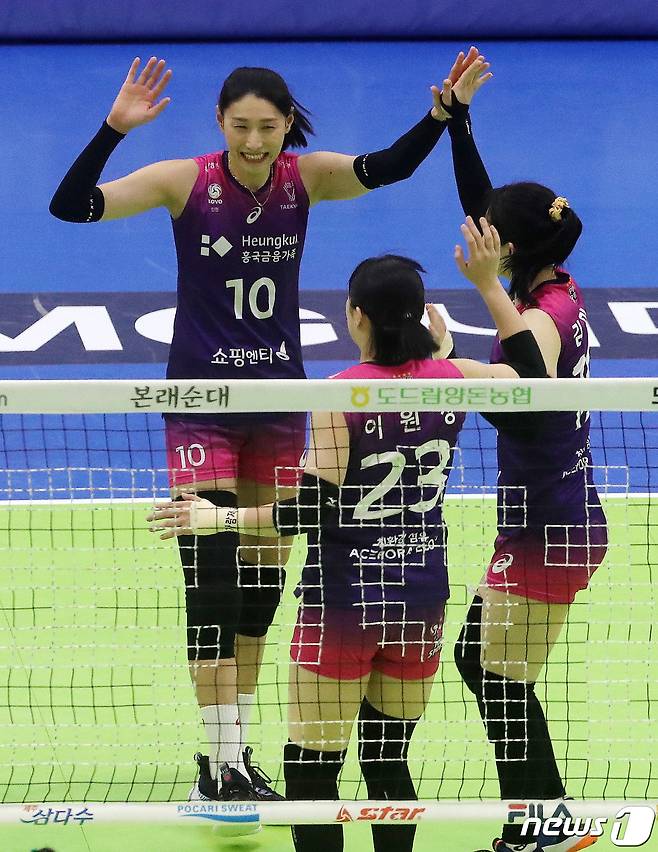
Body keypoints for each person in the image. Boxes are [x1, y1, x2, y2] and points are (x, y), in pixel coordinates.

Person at [49, 50, 492, 800]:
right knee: (211, 587)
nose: (254, 142)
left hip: (280, 406)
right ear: (220, 124)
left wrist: (441, 115)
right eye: (240, 127)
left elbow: (389, 167)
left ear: (287, 124)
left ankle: (238, 752)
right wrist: (113, 129)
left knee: (259, 594)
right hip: (202, 405)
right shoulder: (184, 181)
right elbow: (73, 205)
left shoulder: (304, 178)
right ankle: (220, 764)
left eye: (267, 127)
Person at [148, 217, 551, 851]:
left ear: (356, 316)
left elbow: (310, 509)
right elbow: (531, 376)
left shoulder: (342, 394)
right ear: (421, 316)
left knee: (312, 774)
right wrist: (462, 327)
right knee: (388, 763)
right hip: (420, 602)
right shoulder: (456, 379)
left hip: (343, 605)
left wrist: (218, 518)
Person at [438, 77, 608, 852]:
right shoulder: (555, 286)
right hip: (551, 517)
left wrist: (468, 323)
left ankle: (543, 825)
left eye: (490, 240)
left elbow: (526, 396)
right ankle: (544, 818)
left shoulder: (539, 318)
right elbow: (489, 210)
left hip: (551, 530)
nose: (479, 238)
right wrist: (458, 124)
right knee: (480, 663)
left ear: (508, 251)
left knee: (498, 678)